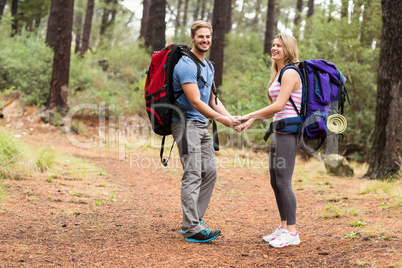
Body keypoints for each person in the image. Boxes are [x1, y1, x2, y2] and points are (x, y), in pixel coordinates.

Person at [171, 20, 239, 243]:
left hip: (202, 125)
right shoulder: (185, 65)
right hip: (186, 124)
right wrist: (223, 120)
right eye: (201, 36)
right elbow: (195, 101)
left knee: (209, 172)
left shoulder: (208, 66)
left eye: (208, 37)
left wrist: (231, 119)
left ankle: (193, 222)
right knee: (192, 174)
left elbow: (212, 99)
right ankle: (192, 229)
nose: (205, 40)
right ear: (192, 38)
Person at [239, 33, 302, 248]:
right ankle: (284, 227)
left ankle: (292, 232)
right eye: (273, 45)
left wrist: (248, 114)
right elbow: (276, 110)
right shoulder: (279, 73)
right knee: (275, 181)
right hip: (278, 130)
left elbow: (278, 105)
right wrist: (253, 119)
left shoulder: (291, 72)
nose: (274, 48)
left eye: (279, 46)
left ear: (288, 49)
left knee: (284, 181)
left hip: (288, 132)